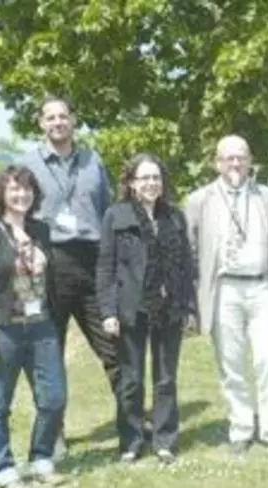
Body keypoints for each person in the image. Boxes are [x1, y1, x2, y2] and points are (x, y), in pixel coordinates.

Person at [20, 95, 120, 458]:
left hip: (92, 262)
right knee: (48, 353)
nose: (58, 122)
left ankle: (131, 422)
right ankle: (53, 433)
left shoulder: (93, 161)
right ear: (41, 123)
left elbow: (106, 212)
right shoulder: (27, 164)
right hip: (48, 263)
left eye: (64, 116)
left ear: (73, 120)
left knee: (113, 345)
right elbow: (14, 213)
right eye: (51, 117)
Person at [184, 135, 268, 455]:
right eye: (228, 158)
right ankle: (241, 430)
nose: (235, 164)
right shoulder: (198, 200)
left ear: (250, 161)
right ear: (217, 163)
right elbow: (188, 253)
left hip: (262, 287)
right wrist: (192, 301)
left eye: (241, 157)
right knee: (231, 364)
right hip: (224, 289)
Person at [0, 166, 66, 488]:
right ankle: (4, 470)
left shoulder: (41, 230)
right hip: (1, 330)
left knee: (53, 398)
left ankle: (40, 458)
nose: (21, 194)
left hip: (41, 327)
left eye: (26, 189)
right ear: (1, 194)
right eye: (13, 189)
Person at [96, 154, 197, 464]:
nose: (151, 183)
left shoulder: (175, 217)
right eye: (144, 178)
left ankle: (164, 438)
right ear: (131, 183)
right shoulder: (116, 215)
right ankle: (131, 440)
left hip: (170, 309)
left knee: (166, 378)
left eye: (156, 177)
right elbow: (106, 266)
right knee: (132, 379)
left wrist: (190, 307)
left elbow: (186, 266)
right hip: (131, 309)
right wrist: (108, 311)